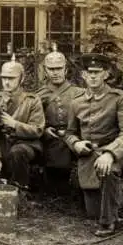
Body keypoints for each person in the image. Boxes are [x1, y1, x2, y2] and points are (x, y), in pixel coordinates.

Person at [65, 53, 123, 237]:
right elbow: (69, 133)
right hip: (90, 155)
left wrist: (110, 153)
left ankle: (109, 222)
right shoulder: (76, 103)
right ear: (83, 75)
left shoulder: (119, 98)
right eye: (88, 72)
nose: (92, 76)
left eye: (97, 72)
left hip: (119, 153)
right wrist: (76, 144)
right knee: (92, 211)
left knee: (110, 170)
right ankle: (113, 203)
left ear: (106, 74)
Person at [0, 54, 45, 195]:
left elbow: (37, 130)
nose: (6, 82)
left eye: (11, 78)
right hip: (2, 145)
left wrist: (14, 124)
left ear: (22, 79)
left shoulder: (32, 100)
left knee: (17, 152)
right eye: (4, 78)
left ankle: (21, 190)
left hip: (26, 144)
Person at [36, 43, 84, 196]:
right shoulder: (40, 94)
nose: (55, 73)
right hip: (50, 137)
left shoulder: (79, 93)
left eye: (58, 69)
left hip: (74, 135)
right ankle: (55, 190)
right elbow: (33, 119)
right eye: (51, 69)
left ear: (66, 70)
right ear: (45, 70)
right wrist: (44, 130)